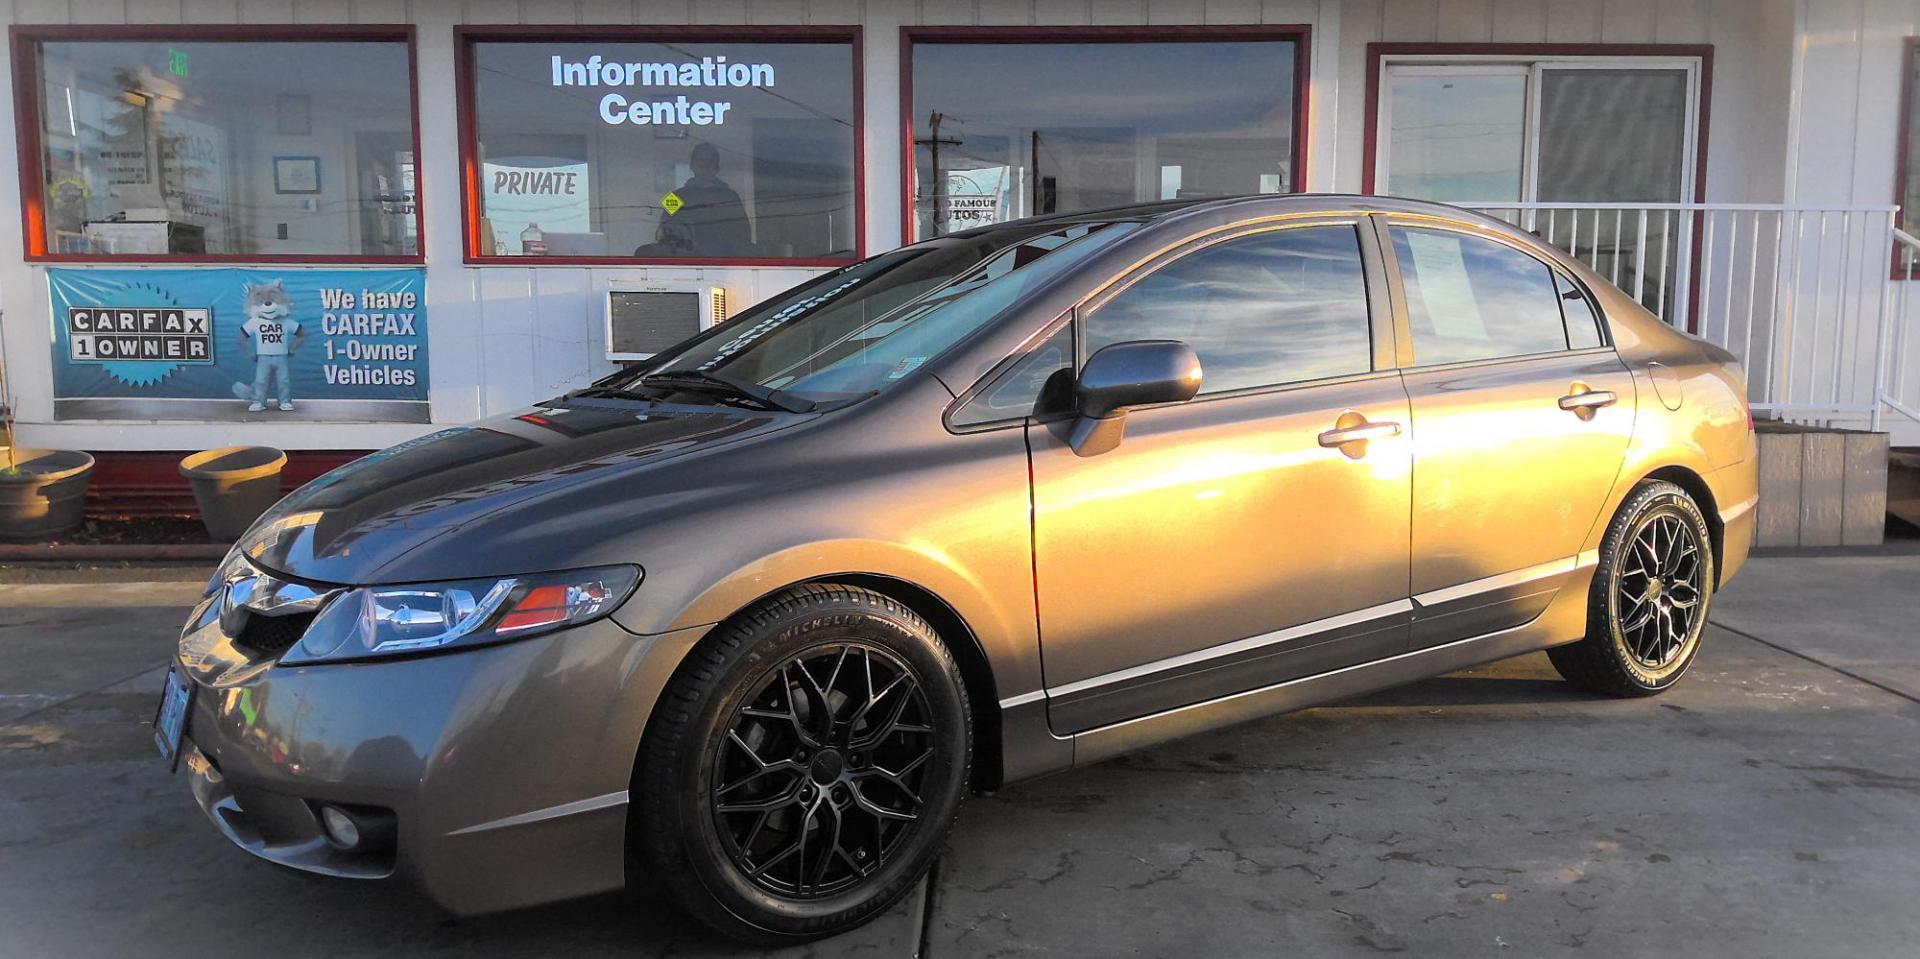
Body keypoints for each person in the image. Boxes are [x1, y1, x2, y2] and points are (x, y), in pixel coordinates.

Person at [668, 142, 753, 256]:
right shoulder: (674, 197)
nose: (705, 165)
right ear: (692, 165)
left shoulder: (731, 196)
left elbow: (744, 234)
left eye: (710, 161)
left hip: (723, 260)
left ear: (717, 167)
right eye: (701, 160)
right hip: (686, 260)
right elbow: (664, 230)